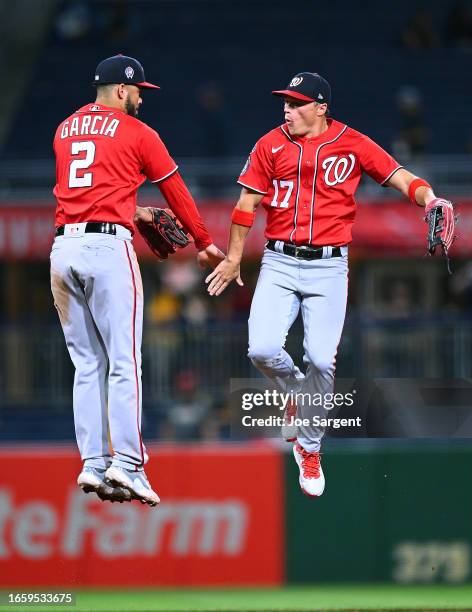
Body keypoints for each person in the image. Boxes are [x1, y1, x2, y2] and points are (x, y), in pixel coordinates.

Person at [206, 72, 442, 497]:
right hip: (278, 259)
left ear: (320, 107)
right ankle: (296, 393)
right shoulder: (269, 144)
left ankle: (310, 447)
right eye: (285, 102)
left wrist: (431, 199)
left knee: (321, 358)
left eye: (296, 103)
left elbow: (401, 176)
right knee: (260, 348)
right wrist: (236, 257)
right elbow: (245, 205)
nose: (287, 109)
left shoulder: (352, 143)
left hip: (329, 266)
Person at [50, 54, 223, 506]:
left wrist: (137, 211)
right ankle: (127, 464)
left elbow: (92, 191)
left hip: (62, 251)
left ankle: (91, 462)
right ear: (122, 89)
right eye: (140, 90)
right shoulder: (138, 132)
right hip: (107, 249)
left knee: (87, 365)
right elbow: (175, 190)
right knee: (125, 362)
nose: (143, 98)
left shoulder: (64, 130)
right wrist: (203, 241)